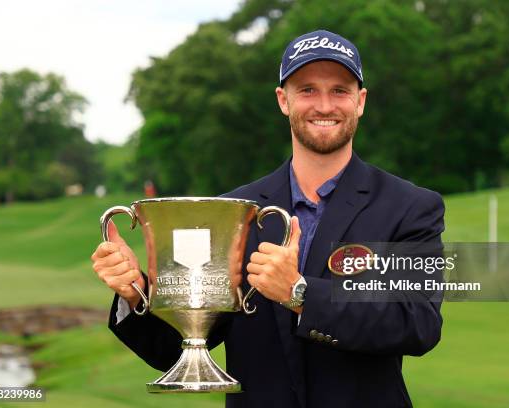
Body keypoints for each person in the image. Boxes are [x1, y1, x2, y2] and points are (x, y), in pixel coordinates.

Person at [91, 29, 445, 408]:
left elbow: (417, 325)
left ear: (360, 102)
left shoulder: (410, 206)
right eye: (307, 89)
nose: (324, 105)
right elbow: (181, 350)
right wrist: (135, 292)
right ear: (283, 100)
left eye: (339, 90)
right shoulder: (231, 211)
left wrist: (299, 293)